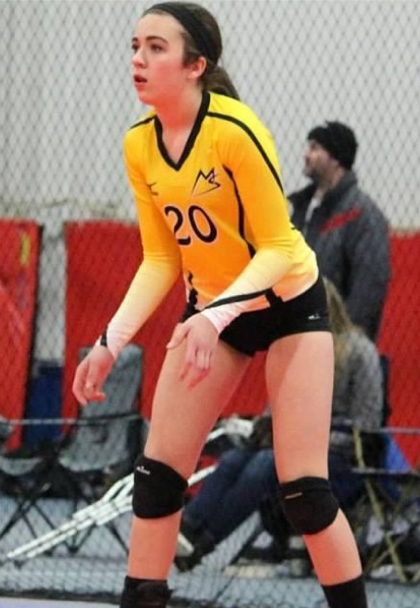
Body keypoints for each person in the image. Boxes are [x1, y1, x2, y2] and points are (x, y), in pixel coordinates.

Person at [72, 4, 369, 608]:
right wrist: (109, 342)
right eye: (135, 45)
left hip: (288, 307)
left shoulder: (234, 130)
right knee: (156, 479)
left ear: (195, 65)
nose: (138, 58)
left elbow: (279, 247)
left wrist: (213, 315)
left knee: (304, 491)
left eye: (156, 47)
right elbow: (161, 258)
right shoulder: (139, 144)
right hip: (215, 311)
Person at [175, 278, 385, 572]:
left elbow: (367, 425)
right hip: (289, 446)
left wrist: (306, 438)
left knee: (265, 465)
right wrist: (265, 428)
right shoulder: (293, 347)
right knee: (234, 459)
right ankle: (187, 530)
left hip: (338, 456)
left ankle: (204, 542)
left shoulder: (360, 351)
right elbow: (275, 405)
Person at [289, 121, 390, 342]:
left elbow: (369, 285)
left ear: (335, 158)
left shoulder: (362, 214)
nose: (306, 155)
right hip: (299, 335)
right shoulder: (301, 207)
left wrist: (345, 337)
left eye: (315, 148)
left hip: (339, 342)